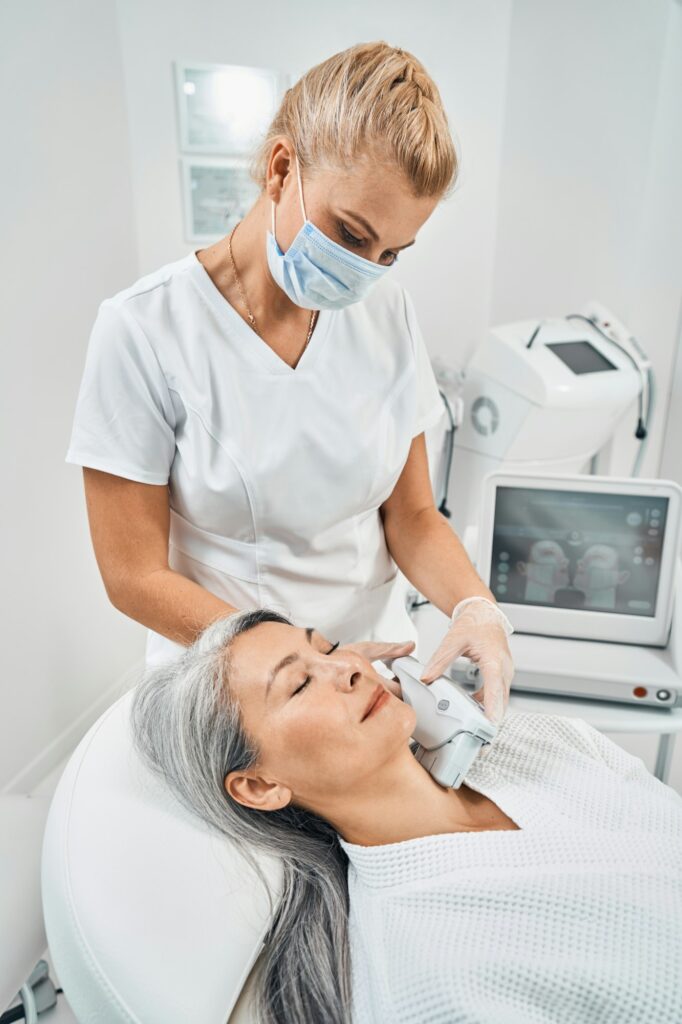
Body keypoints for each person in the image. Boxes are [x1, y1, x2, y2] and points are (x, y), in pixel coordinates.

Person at [64, 41, 514, 725]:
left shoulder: (387, 312)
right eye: (351, 233)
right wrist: (310, 661)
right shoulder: (144, 330)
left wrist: (476, 607)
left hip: (377, 679)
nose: (367, 269)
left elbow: (414, 516)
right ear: (281, 169)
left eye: (392, 253)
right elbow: (134, 578)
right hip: (236, 684)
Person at [131, 608, 682, 1024]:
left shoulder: (534, 739)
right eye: (299, 683)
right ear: (260, 785)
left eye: (330, 647)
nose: (349, 668)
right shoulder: (428, 979)